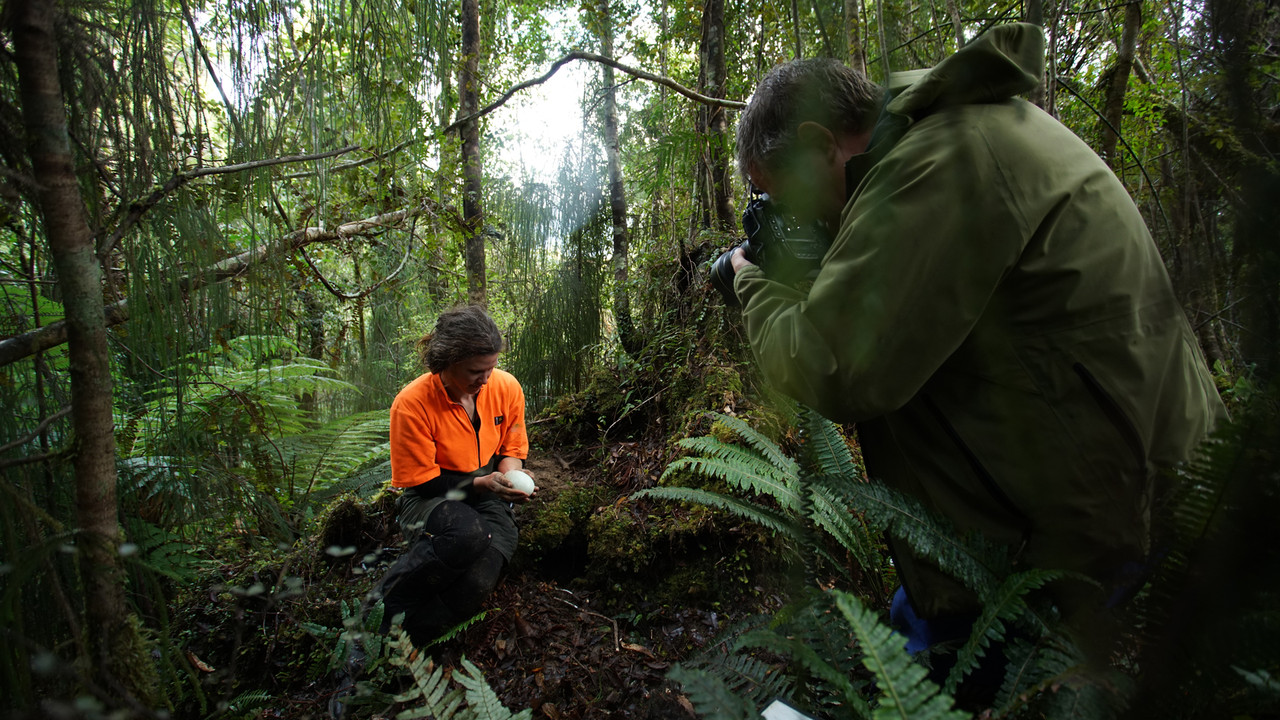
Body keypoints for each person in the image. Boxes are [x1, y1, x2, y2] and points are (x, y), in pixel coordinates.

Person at [727, 24, 1226, 658]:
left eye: (783, 194)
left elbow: (834, 366)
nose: (796, 218)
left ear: (819, 143)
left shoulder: (937, 162)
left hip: (1087, 537)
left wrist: (751, 281)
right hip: (1051, 503)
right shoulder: (950, 135)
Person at [377, 305, 533, 646]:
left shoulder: (506, 388)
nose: (486, 379)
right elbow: (422, 481)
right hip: (429, 497)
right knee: (466, 535)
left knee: (480, 578)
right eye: (475, 371)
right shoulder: (412, 404)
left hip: (486, 490)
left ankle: (415, 641)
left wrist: (508, 477)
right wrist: (481, 483)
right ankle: (381, 613)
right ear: (446, 362)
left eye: (491, 368)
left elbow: (512, 448)